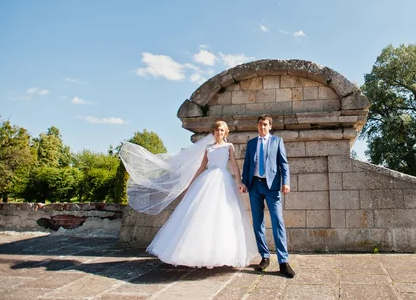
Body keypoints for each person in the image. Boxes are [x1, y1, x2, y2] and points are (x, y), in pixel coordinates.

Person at [119, 121, 258, 269]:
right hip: (207, 180)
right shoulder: (208, 147)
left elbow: (235, 165)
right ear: (214, 132)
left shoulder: (229, 147)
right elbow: (201, 167)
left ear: (226, 132)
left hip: (223, 180)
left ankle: (223, 253)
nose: (220, 133)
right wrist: (190, 183)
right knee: (200, 215)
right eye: (217, 130)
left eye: (222, 131)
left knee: (223, 215)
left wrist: (240, 182)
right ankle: (198, 253)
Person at [241, 114, 296, 278]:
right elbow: (246, 166)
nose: (262, 127)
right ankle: (264, 257)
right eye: (260, 124)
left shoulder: (277, 141)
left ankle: (283, 262)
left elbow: (284, 164)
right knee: (258, 223)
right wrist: (244, 182)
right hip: (255, 185)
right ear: (257, 126)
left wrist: (286, 182)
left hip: (272, 186)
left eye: (265, 125)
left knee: (278, 221)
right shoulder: (251, 144)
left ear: (270, 126)